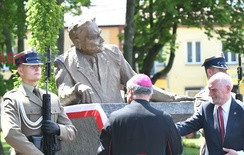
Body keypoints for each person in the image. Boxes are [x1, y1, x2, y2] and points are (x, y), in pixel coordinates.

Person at [54, 18, 191, 105]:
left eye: (100, 34)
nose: (102, 41)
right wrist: (76, 90)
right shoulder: (64, 62)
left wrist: (173, 98)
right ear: (77, 42)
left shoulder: (113, 53)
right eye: (94, 37)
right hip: (87, 128)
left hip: (118, 125)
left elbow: (137, 82)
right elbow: (63, 97)